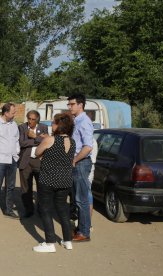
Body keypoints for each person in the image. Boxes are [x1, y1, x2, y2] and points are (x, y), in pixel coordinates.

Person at [33, 113, 76, 253]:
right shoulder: (72, 141)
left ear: (59, 125)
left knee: (45, 210)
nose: (52, 125)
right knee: (63, 210)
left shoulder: (50, 139)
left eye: (53, 123)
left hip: (49, 179)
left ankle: (50, 242)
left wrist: (43, 151)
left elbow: (37, 152)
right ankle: (68, 240)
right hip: (65, 180)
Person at [67, 94, 94, 242]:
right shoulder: (77, 121)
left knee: (81, 200)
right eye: (69, 104)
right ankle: (80, 229)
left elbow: (88, 147)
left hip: (81, 163)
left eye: (72, 104)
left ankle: (84, 233)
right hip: (78, 163)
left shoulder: (84, 122)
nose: (70, 107)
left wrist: (75, 160)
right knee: (78, 199)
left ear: (80, 105)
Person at [18, 110, 48, 218]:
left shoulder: (44, 127)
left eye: (33, 119)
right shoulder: (22, 127)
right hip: (26, 161)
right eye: (29, 119)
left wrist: (34, 136)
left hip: (39, 161)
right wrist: (38, 139)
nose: (30, 121)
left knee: (42, 187)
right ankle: (28, 210)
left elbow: (47, 142)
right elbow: (22, 142)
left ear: (37, 120)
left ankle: (41, 209)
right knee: (26, 187)